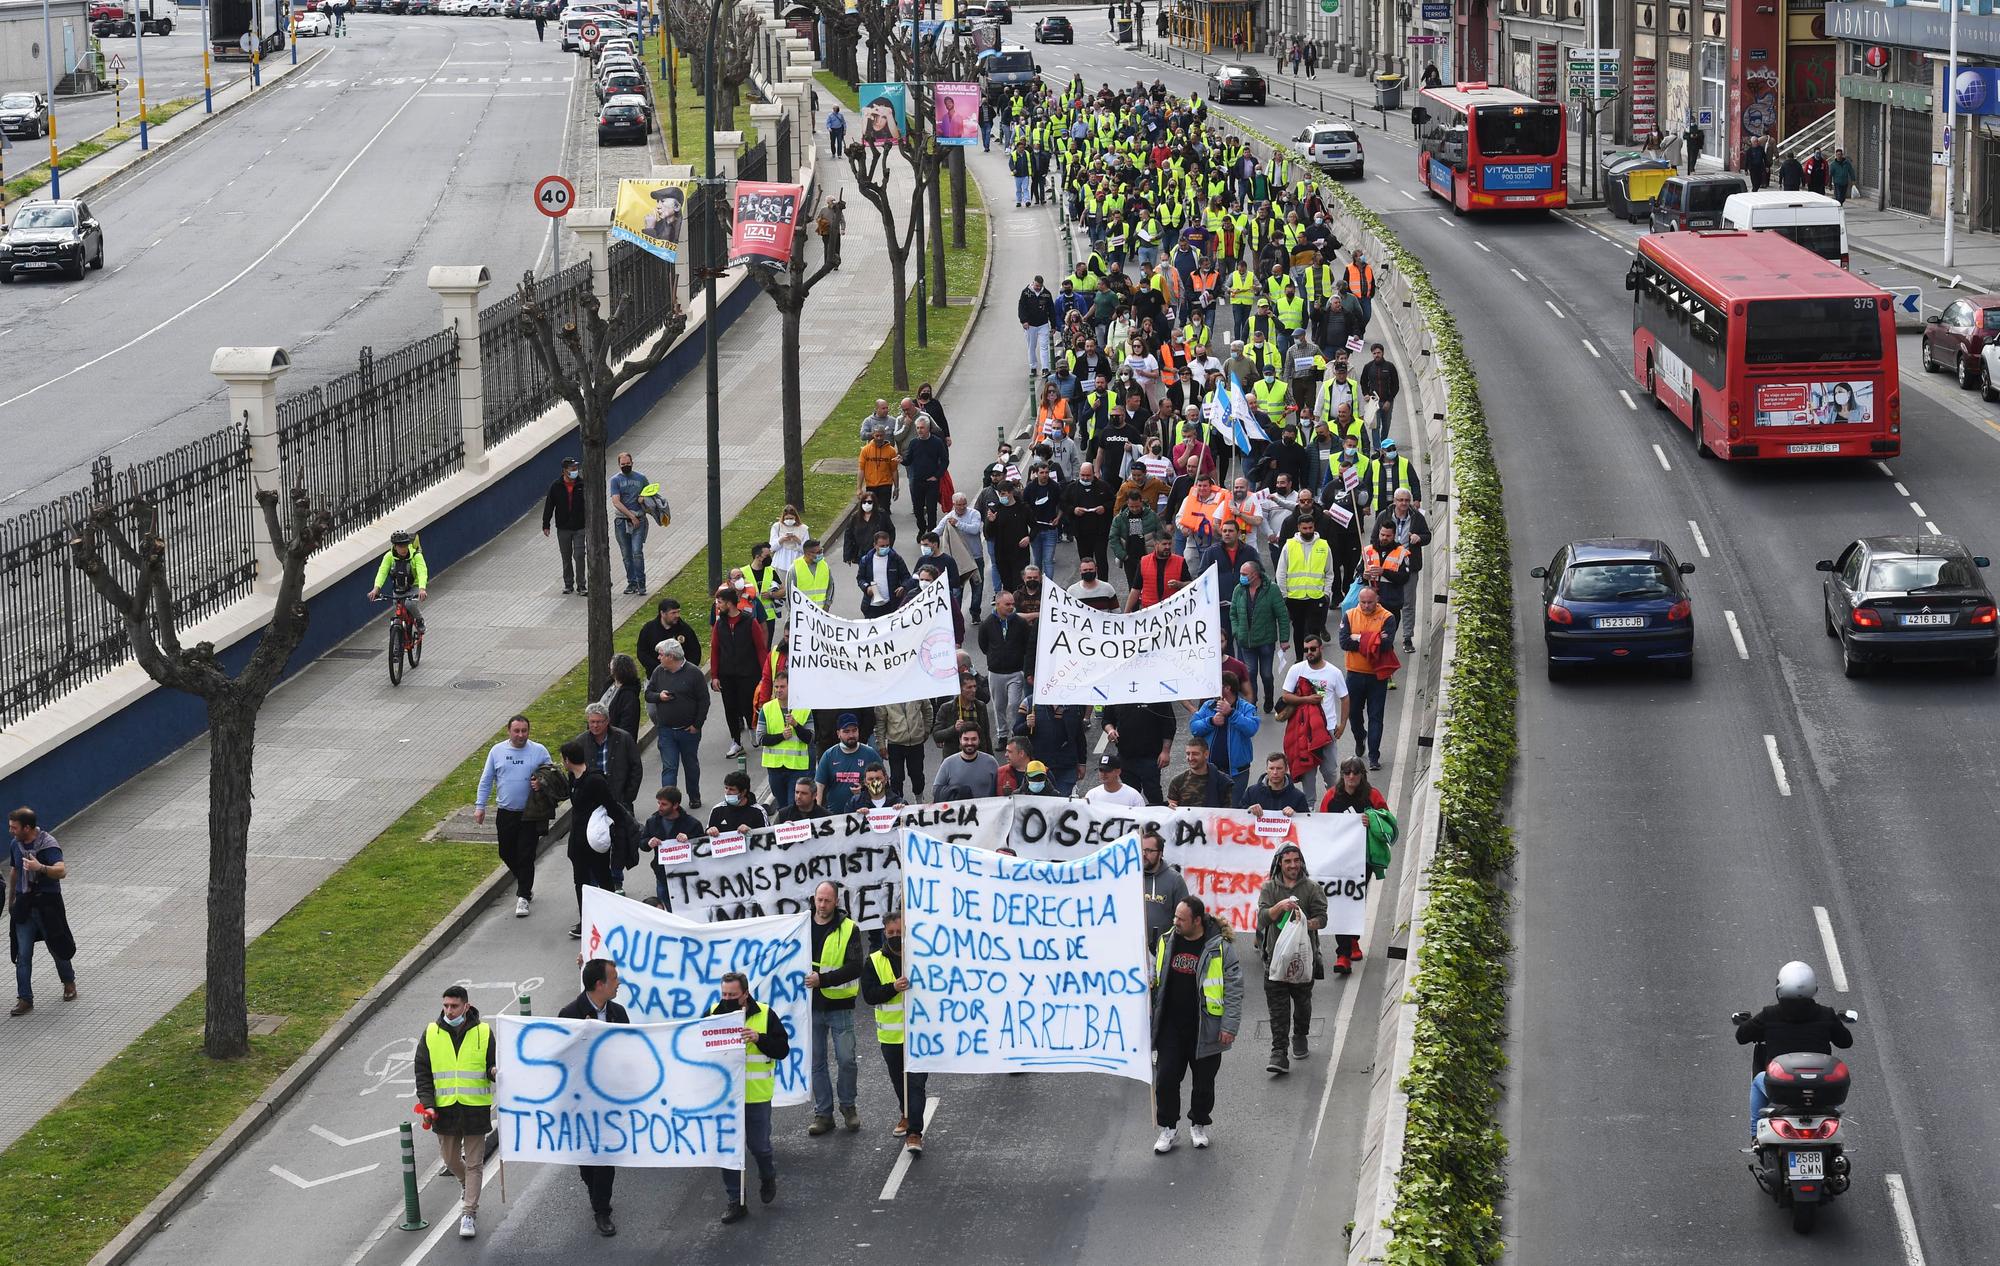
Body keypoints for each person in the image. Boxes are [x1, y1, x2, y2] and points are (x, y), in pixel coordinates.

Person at [1149, 895, 1242, 1153]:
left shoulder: (1219, 948)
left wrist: (1229, 1027)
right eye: (1175, 917)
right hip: (1171, 1027)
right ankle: (1168, 1128)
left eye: (1181, 919)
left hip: (1205, 1028)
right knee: (1166, 1078)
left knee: (1203, 1082)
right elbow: (1156, 979)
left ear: (1197, 921)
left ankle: (1198, 1123)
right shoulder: (1167, 941)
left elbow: (1234, 989)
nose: (1175, 922)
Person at [1736, 962, 1854, 1143]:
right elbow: (1846, 1042)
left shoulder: (1770, 1014)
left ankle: (1755, 1135)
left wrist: (1749, 1023)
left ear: (1780, 986)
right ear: (1812, 987)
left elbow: (1742, 1036)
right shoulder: (1826, 1014)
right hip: (1820, 1088)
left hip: (1783, 1088)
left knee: (1758, 1080)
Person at [705, 970, 788, 1222]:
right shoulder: (712, 1014)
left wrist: (759, 1038)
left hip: (756, 1096)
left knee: (759, 1147)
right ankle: (735, 1200)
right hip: (725, 1098)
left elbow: (782, 1049)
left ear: (745, 994)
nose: (727, 998)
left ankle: (767, 1174)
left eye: (732, 995)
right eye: (724, 994)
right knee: (729, 1150)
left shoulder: (764, 1014)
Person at [413, 985, 495, 1241]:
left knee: (474, 1164)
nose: (449, 1011)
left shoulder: (483, 1032)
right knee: (449, 1160)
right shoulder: (431, 1033)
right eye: (446, 1005)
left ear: (466, 1007)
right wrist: (428, 1103)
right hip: (445, 1111)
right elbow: (423, 1072)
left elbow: (492, 1063)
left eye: (454, 1006)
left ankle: (469, 1212)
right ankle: (464, 1184)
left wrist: (494, 1071)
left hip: (474, 1109)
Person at [559, 959, 630, 1236]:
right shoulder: (570, 1014)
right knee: (587, 1162)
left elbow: (629, 1051)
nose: (618, 983)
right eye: (614, 979)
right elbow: (561, 1058)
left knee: (604, 1157)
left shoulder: (619, 1013)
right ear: (599, 984)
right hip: (579, 1102)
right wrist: (583, 1038)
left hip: (609, 1101)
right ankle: (594, 1190)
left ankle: (602, 1210)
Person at [861, 908, 929, 1153]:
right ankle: (906, 1112)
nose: (894, 935)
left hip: (919, 1036)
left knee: (916, 1085)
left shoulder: (920, 956)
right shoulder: (873, 962)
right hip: (891, 1038)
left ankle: (914, 1133)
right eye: (890, 932)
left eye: (899, 931)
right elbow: (868, 996)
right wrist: (893, 988)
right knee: (900, 1085)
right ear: (883, 933)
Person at [1255, 841, 1325, 1074]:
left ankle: (1301, 1034)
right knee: (1278, 1010)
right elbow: (1263, 919)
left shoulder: (1312, 888)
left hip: (1303, 961)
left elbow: (1322, 919)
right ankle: (1279, 1053)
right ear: (1280, 864)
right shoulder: (1269, 889)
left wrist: (1305, 922)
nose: (1293, 865)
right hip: (1275, 961)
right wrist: (1280, 907)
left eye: (1296, 860)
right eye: (1288, 861)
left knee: (1302, 1004)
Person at [474, 715, 551, 917]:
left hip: (530, 813)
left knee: (526, 855)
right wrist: (480, 806)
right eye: (516, 731)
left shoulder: (539, 751)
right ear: (509, 731)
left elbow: (551, 774)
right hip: (506, 812)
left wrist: (541, 783)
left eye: (524, 731)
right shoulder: (497, 751)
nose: (520, 735)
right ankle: (525, 881)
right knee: (506, 852)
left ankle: (523, 895)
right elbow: (487, 779)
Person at [806, 880, 865, 1134]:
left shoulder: (848, 929)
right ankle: (823, 1114)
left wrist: (824, 980)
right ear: (814, 899)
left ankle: (848, 1106)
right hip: (811, 1007)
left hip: (840, 1005)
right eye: (819, 899)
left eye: (827, 900)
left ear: (836, 902)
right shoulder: (800, 926)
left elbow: (855, 966)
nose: (822, 905)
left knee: (846, 1060)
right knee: (817, 1062)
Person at [7, 808, 75, 1015]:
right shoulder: (15, 845)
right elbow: (15, 871)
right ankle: (25, 998)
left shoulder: (48, 845)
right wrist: (12, 900)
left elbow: (61, 871)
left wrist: (40, 867)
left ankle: (68, 982)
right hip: (24, 905)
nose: (10, 831)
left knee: (56, 946)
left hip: (47, 905)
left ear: (27, 827)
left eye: (14, 827)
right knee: (23, 953)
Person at [1319, 757, 1384, 970]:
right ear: (1342, 775)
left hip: (1363, 860)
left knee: (1356, 901)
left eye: (1355, 773)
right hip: (1339, 860)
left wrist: (1372, 820)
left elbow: (1387, 823)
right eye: (1347, 773)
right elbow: (1320, 826)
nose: (1351, 777)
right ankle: (1343, 955)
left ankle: (1353, 938)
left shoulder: (1372, 796)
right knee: (1341, 902)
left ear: (1362, 775)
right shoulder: (1331, 797)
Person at [1278, 635, 1351, 799]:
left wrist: (1343, 724)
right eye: (1305, 650)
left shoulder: (1334, 672)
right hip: (1304, 731)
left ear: (1320, 648)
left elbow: (1345, 697)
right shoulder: (1296, 670)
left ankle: (1333, 802)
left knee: (1330, 771)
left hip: (1327, 731)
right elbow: (1286, 696)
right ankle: (1309, 806)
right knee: (1308, 773)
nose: (1309, 653)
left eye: (1312, 649)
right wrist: (1306, 700)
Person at [1339, 585, 1398, 771]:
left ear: (1377, 600)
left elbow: (1386, 644)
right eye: (1362, 602)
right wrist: (1372, 639)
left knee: (1376, 716)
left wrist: (1358, 638)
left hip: (1377, 676)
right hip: (1354, 674)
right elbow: (1344, 642)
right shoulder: (1349, 615)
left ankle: (1374, 756)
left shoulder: (1387, 617)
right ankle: (1359, 736)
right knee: (1353, 713)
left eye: (1369, 602)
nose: (1365, 606)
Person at [645, 641, 709, 806]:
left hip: (689, 731)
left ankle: (694, 797)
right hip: (666, 731)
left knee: (691, 766)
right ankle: (668, 803)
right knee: (669, 767)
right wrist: (659, 696)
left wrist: (697, 725)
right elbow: (648, 694)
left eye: (661, 655)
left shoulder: (694, 673)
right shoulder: (658, 672)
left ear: (671, 657)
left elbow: (704, 701)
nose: (658, 658)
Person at [709, 584, 769, 757]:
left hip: (748, 673)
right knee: (730, 709)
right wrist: (714, 676)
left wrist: (765, 675)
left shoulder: (750, 622)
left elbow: (760, 648)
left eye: (720, 603)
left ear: (729, 604)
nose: (717, 606)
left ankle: (752, 728)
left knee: (748, 705)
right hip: (727, 675)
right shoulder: (720, 625)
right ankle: (736, 741)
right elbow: (715, 650)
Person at [1190, 674, 1261, 805]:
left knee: (1231, 810)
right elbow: (1194, 727)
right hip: (1210, 771)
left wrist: (1232, 713)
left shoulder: (1246, 708)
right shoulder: (1208, 706)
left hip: (1237, 772)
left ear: (1227, 688)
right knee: (1210, 808)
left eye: (1217, 685)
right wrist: (1210, 721)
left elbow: (1251, 729)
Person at [1230, 559, 1288, 707]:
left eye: (1244, 573)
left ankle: (1268, 698)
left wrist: (1284, 639)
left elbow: (1282, 615)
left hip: (1265, 641)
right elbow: (1233, 614)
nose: (1241, 576)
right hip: (1246, 642)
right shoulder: (1239, 589)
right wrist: (1237, 631)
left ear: (1255, 575)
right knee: (1250, 674)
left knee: (1267, 674)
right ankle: (1251, 704)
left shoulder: (1272, 590)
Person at [977, 590, 1033, 739]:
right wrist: (994, 656)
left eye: (1012, 604)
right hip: (995, 672)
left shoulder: (1021, 623)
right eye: (1007, 604)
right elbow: (983, 644)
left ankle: (1016, 733)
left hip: (1015, 671)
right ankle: (1002, 734)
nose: (1011, 607)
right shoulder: (987, 623)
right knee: (999, 706)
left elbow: (1027, 645)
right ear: (998, 604)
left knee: (1015, 704)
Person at [754, 670, 814, 806]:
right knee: (782, 807)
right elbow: (760, 739)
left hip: (797, 768)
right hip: (775, 768)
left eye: (782, 687)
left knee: (793, 806)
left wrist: (796, 725)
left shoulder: (804, 708)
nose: (778, 690)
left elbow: (810, 738)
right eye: (776, 687)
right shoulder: (767, 708)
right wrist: (781, 736)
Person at [640, 786, 702, 906]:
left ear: (675, 805)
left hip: (687, 876)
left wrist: (689, 840)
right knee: (665, 911)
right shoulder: (652, 822)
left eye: (664, 804)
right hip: (663, 876)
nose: (659, 807)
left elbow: (702, 847)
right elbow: (642, 843)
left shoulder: (692, 824)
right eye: (658, 803)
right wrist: (648, 842)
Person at [814, 715, 880, 814]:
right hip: (836, 816)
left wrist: (864, 788)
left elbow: (882, 784)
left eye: (854, 730)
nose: (851, 735)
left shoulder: (870, 754)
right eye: (846, 731)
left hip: (866, 814)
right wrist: (816, 813)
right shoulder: (829, 755)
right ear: (838, 734)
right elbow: (819, 786)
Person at [367, 529, 428, 633]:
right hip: (398, 587)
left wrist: (422, 589)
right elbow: (382, 572)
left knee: (410, 604)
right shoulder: (389, 556)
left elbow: (422, 572)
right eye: (400, 546)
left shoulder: (416, 556)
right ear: (395, 546)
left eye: (405, 545)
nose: (403, 549)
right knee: (397, 606)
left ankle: (419, 620)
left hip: (414, 586)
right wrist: (376, 589)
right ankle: (398, 636)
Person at [541, 456, 588, 593]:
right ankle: (568, 583)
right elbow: (549, 505)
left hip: (579, 526)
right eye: (572, 469)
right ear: (564, 471)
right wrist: (546, 524)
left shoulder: (582, 484)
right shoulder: (556, 486)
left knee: (579, 555)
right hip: (563, 528)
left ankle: (581, 584)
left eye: (576, 468)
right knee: (566, 556)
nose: (575, 471)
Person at [1138, 828, 1189, 949]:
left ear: (1160, 853)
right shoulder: (1130, 876)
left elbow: (1185, 917)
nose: (1144, 854)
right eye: (1142, 850)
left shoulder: (1174, 880)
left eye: (1149, 850)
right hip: (1133, 950)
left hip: (1163, 951)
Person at [608, 452, 650, 594]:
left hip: (639, 520)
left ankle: (641, 583)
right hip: (622, 521)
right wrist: (630, 516)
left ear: (632, 462)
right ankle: (631, 582)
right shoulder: (615, 480)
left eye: (628, 463)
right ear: (619, 465)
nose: (626, 466)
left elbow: (650, 494)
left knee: (637, 552)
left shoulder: (641, 478)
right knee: (626, 554)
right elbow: (616, 501)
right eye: (623, 464)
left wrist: (643, 498)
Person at [931, 724, 1001, 799]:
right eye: (966, 739)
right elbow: (935, 791)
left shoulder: (991, 762)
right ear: (960, 740)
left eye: (974, 739)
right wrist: (955, 792)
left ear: (979, 740)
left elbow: (1000, 789)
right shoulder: (948, 763)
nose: (970, 743)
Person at [637, 596, 701, 677]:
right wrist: (658, 668)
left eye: (678, 612)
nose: (677, 615)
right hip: (656, 677)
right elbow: (642, 652)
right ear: (662, 613)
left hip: (680, 677)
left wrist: (685, 671)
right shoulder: (649, 629)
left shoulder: (684, 629)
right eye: (673, 613)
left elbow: (695, 652)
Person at [1166, 736, 1235, 809]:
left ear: (1206, 754)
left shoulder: (1223, 782)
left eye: (1195, 754)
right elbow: (1172, 811)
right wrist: (1170, 808)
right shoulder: (1177, 782)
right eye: (1188, 754)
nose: (1190, 758)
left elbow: (1228, 812)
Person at [1020, 275, 1055, 376]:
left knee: (1044, 346)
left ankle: (1045, 368)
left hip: (1043, 324)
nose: (1038, 288)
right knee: (1032, 347)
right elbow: (1021, 308)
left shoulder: (1046, 294)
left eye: (1040, 286)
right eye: (1036, 286)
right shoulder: (1026, 293)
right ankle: (1033, 367)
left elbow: (1051, 310)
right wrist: (1024, 321)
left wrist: (1053, 325)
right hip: (1030, 325)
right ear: (1033, 283)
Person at [770, 505, 810, 574]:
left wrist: (797, 540)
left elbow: (807, 549)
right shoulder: (777, 526)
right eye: (787, 518)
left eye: (791, 518)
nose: (789, 520)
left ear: (796, 517)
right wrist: (782, 540)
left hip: (797, 562)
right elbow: (772, 547)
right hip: (780, 563)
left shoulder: (803, 528)